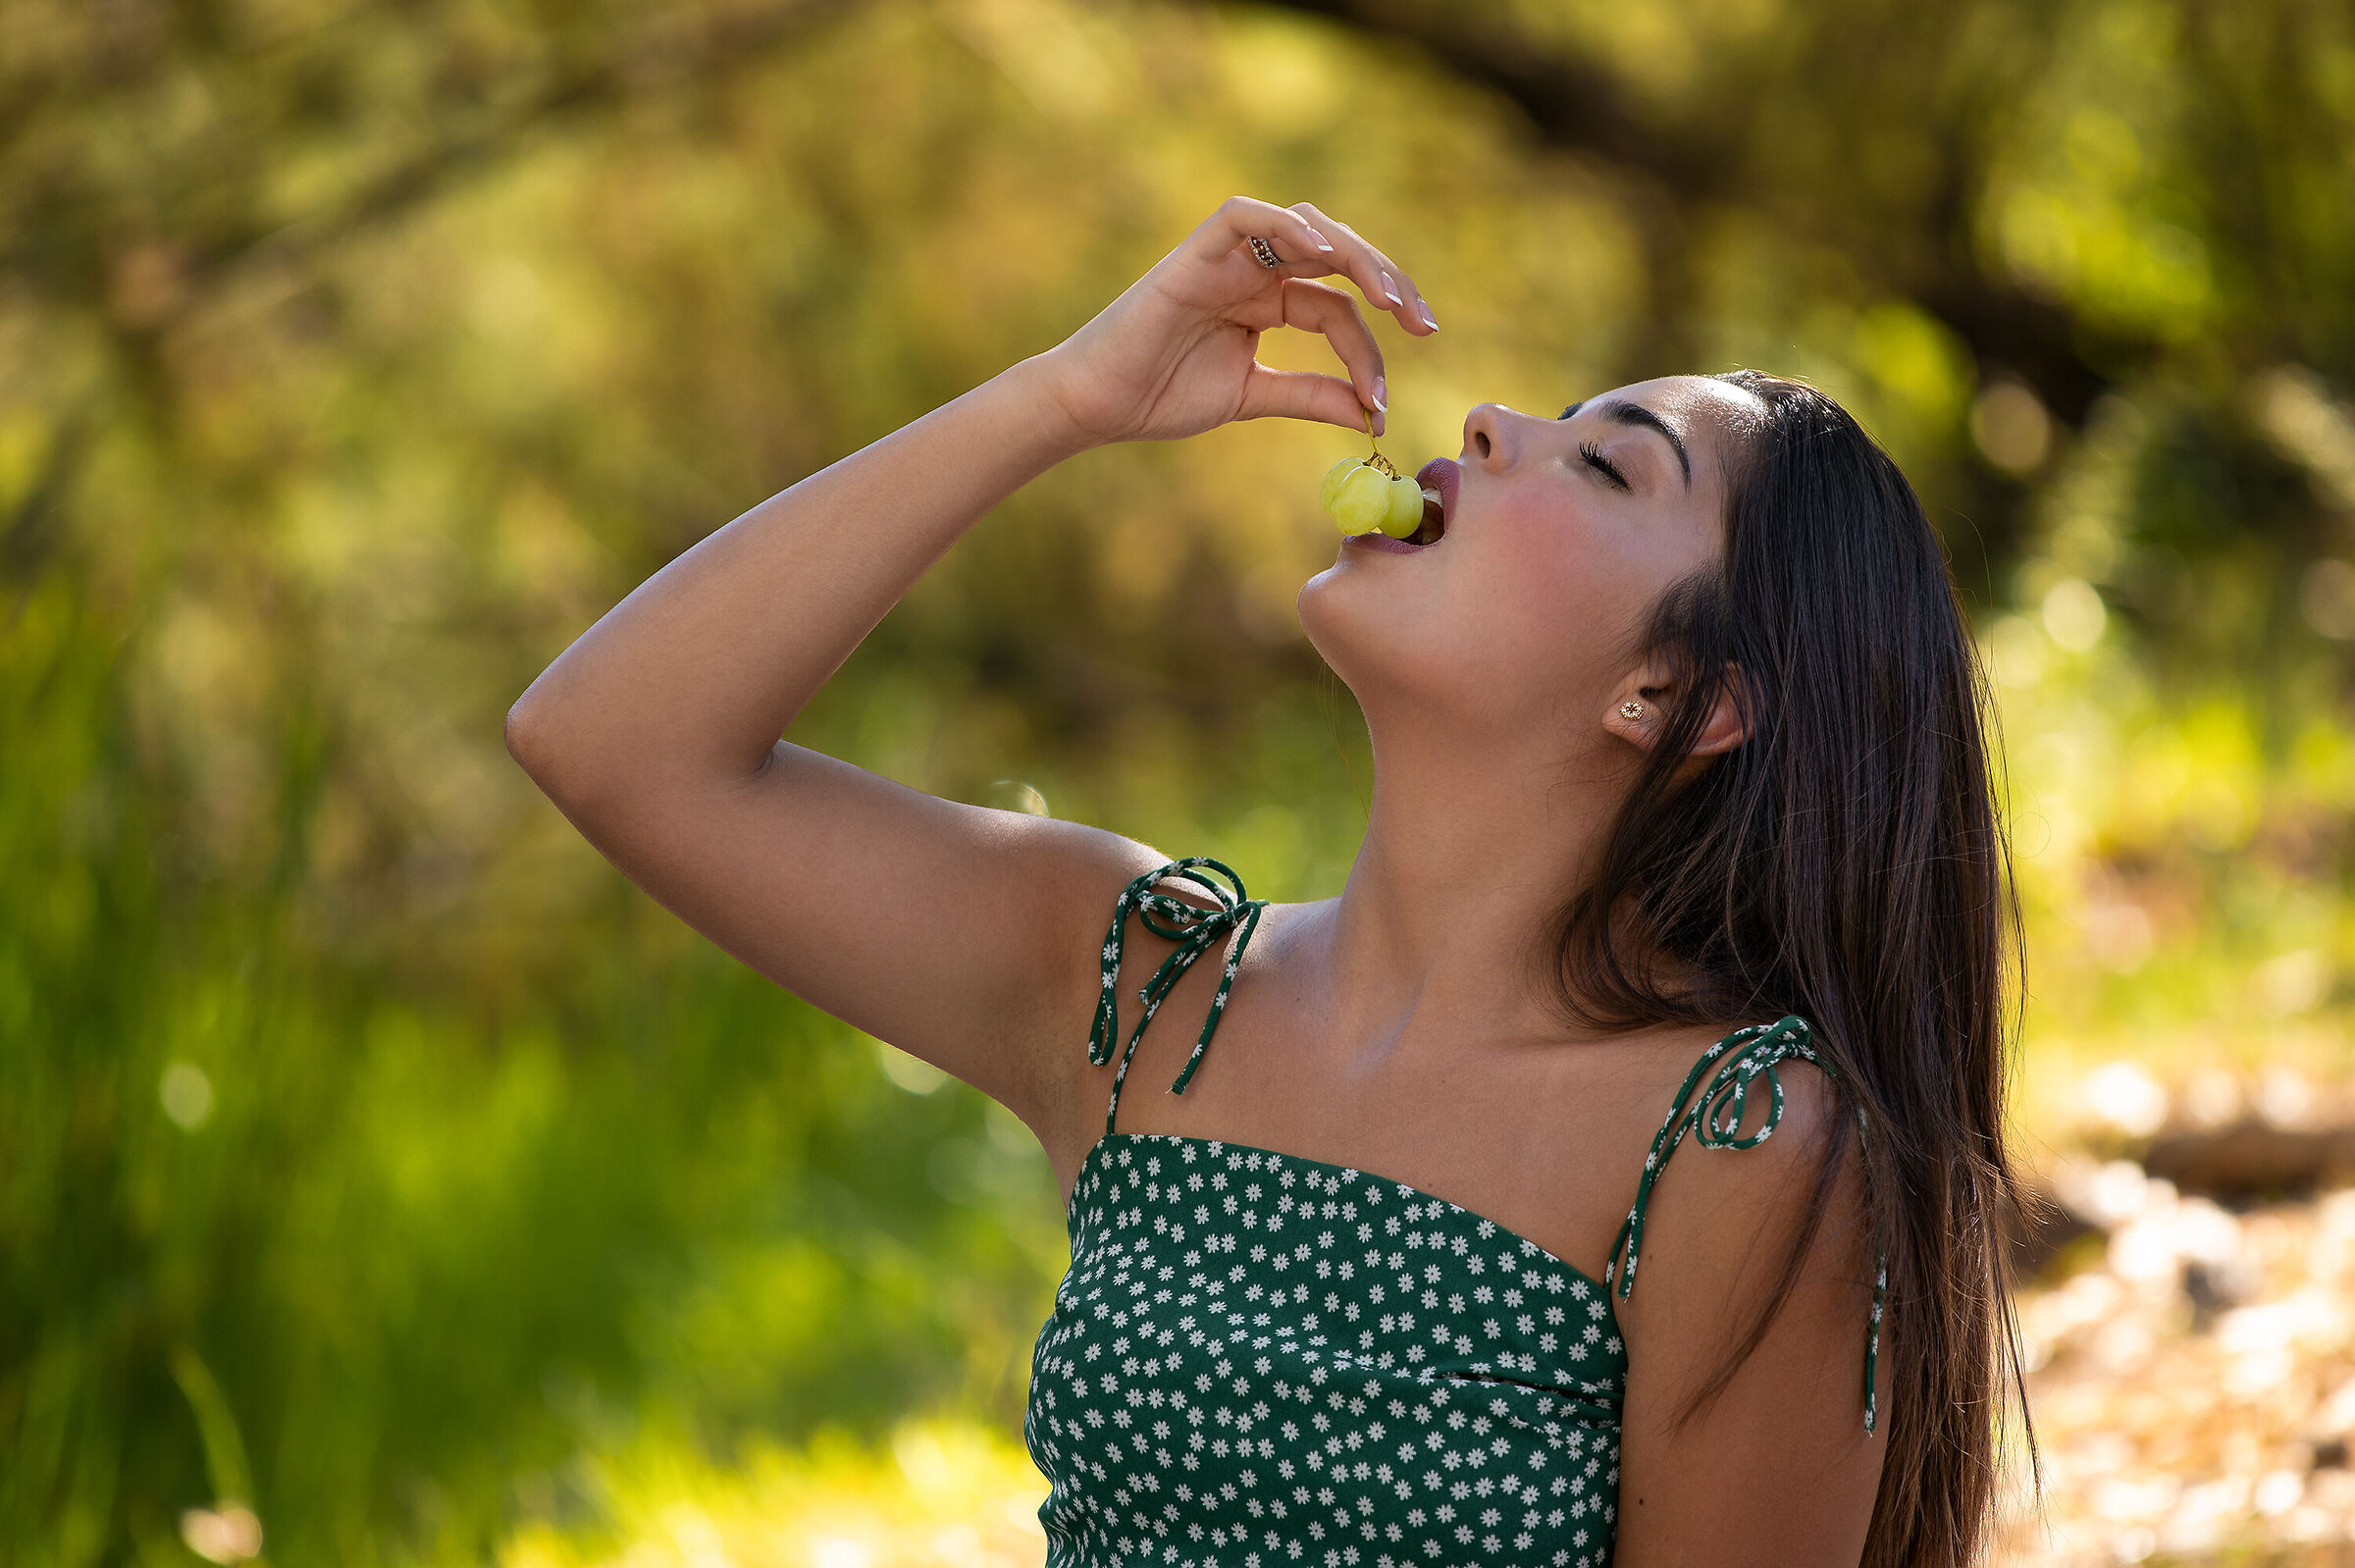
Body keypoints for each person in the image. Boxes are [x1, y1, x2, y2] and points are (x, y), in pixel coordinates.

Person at [504, 196, 2040, 1567]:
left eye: (1605, 465)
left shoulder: (1742, 1139)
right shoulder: (1140, 988)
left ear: (1682, 694)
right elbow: (609, 741)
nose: (1492, 423)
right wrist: (1064, 399)